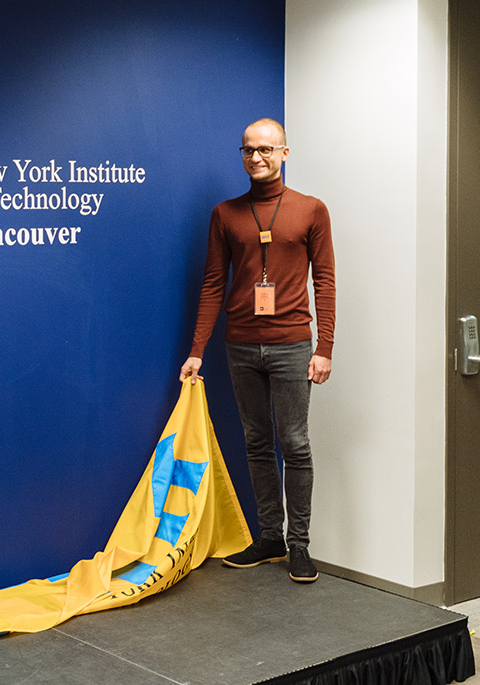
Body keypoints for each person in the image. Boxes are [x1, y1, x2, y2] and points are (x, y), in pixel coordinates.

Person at [179, 118, 334, 584]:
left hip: (292, 345)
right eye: (248, 151)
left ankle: (300, 546)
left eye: (266, 150)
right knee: (256, 442)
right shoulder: (225, 214)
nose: (257, 158)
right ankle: (271, 537)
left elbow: (324, 280)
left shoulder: (311, 210)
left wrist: (324, 346)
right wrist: (197, 350)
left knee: (296, 443)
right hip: (240, 345)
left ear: (284, 153)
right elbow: (211, 284)